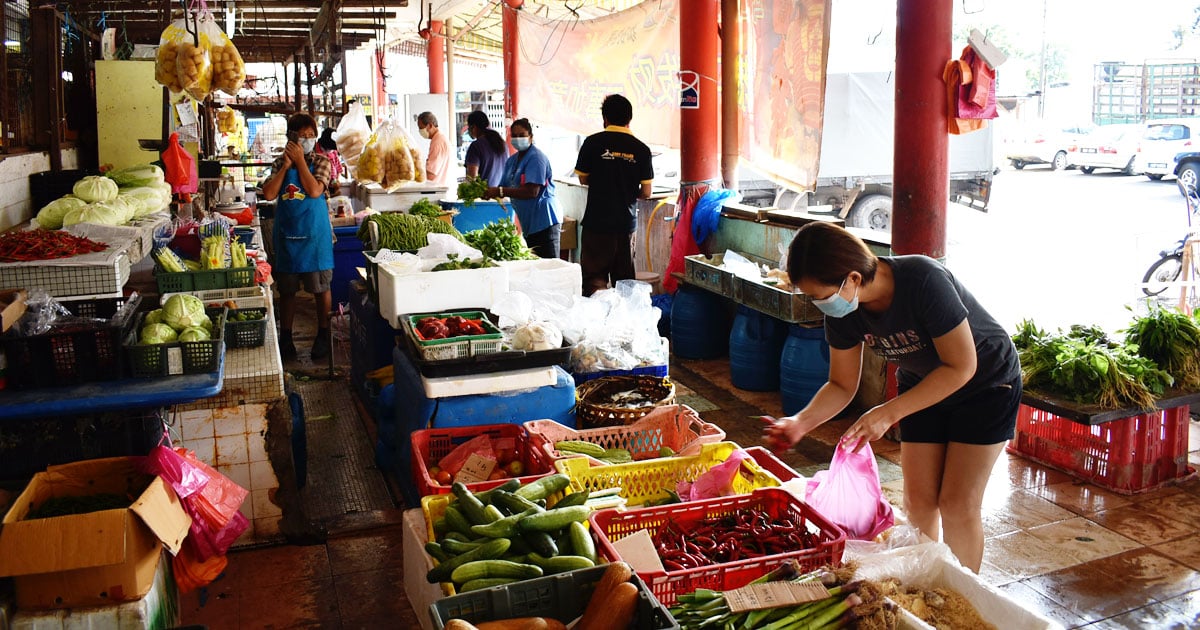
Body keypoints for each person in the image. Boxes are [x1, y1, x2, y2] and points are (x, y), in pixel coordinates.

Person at [762, 221, 1022, 574]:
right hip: (923, 384)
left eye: (820, 296)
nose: (819, 304)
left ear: (852, 278)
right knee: (918, 503)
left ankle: (964, 596)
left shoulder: (923, 280)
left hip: (985, 384)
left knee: (957, 503)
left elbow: (961, 366)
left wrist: (888, 413)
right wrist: (799, 423)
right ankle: (926, 583)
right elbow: (841, 384)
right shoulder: (845, 313)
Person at [260, 113, 334, 362]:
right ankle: (286, 337)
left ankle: (323, 334)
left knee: (319, 287)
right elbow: (269, 193)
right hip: (288, 238)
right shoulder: (280, 163)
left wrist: (301, 162)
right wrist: (287, 166)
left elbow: (314, 190)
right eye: (302, 136)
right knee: (288, 290)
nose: (308, 140)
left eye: (311, 136)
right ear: (291, 138)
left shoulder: (323, 162)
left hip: (315, 238)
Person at [573, 94, 654, 296]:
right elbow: (646, 192)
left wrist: (604, 181)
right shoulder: (642, 150)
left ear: (605, 118)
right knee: (625, 284)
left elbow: (583, 179)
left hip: (596, 224)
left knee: (593, 281)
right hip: (625, 226)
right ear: (629, 119)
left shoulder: (592, 143)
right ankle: (623, 326)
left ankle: (593, 326)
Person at [482, 118, 562, 258]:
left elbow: (532, 191)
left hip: (544, 220)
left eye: (522, 135)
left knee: (549, 266)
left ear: (530, 136)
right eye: (515, 135)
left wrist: (499, 191)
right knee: (537, 265)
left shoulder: (536, 158)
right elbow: (502, 187)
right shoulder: (512, 161)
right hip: (529, 223)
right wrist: (486, 192)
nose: (518, 139)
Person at [464, 110, 508, 186]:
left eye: (469, 127)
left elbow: (471, 178)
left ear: (474, 127)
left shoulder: (476, 146)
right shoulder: (502, 143)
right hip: (501, 194)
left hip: (484, 195)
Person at [417, 111, 453, 186]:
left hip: (437, 188)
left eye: (421, 128)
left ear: (430, 126)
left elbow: (431, 174)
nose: (420, 131)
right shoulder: (440, 138)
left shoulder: (438, 142)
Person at [315, 128, 341, 196]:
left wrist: (335, 181)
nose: (331, 151)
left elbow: (338, 169)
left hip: (332, 187)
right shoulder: (314, 153)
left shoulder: (333, 152)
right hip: (319, 188)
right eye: (329, 149)